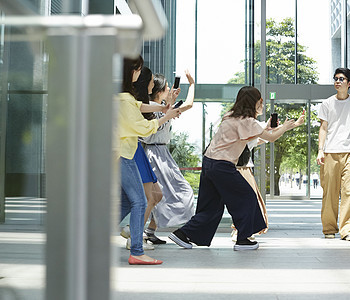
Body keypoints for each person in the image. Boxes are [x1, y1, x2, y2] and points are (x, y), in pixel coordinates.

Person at [168, 86, 304, 251]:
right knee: (247, 197)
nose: (262, 104)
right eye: (260, 101)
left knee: (211, 206)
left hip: (209, 163)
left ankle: (183, 234)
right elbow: (271, 138)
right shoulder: (248, 121)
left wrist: (265, 128)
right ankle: (243, 239)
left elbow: (251, 134)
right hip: (222, 166)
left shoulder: (230, 116)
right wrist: (285, 127)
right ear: (255, 102)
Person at [118, 56, 179, 265]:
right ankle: (136, 251)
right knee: (140, 201)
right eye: (139, 69)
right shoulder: (124, 99)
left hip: (120, 154)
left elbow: (140, 106)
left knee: (127, 201)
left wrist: (161, 109)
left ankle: (91, 239)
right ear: (132, 71)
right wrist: (165, 117)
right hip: (123, 155)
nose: (140, 73)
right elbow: (143, 128)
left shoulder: (121, 97)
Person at [142, 71, 196, 244]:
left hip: (161, 153)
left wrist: (192, 85)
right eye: (166, 87)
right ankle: (141, 232)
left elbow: (188, 105)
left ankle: (149, 230)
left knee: (158, 195)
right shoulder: (150, 108)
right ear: (159, 91)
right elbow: (152, 130)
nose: (169, 90)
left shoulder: (164, 106)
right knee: (168, 193)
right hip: (154, 154)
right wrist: (168, 107)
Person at [316, 67, 350, 242]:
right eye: (335, 78)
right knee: (329, 192)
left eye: (341, 79)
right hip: (330, 153)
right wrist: (320, 150)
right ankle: (329, 228)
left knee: (349, 193)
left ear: (349, 83)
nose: (337, 81)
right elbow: (323, 128)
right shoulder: (327, 103)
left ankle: (348, 230)